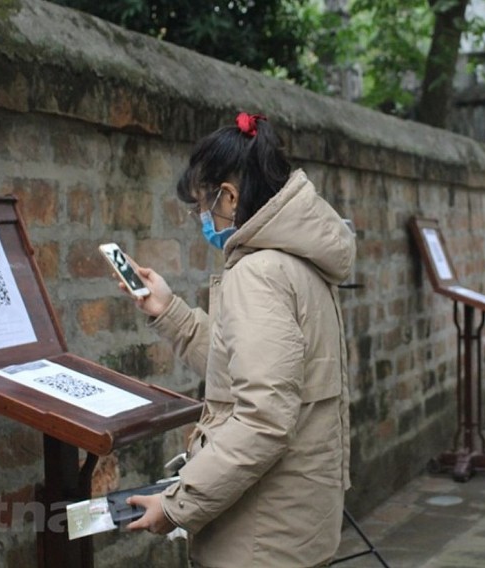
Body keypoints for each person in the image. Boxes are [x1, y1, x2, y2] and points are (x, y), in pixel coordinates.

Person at [121, 112, 356, 567]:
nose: (199, 221)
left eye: (199, 208)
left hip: (260, 537)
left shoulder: (259, 273)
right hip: (294, 522)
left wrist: (176, 506)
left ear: (227, 198)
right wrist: (171, 313)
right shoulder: (298, 260)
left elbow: (262, 418)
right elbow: (249, 369)